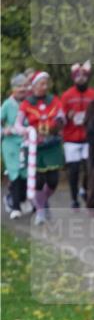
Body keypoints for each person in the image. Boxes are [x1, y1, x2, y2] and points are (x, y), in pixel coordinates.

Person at [17, 71, 65, 225]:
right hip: (35, 147)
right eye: (42, 83)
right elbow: (18, 124)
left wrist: (60, 120)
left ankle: (42, 201)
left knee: (53, 181)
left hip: (52, 144)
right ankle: (40, 211)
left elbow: (61, 115)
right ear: (34, 85)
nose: (45, 87)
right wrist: (24, 130)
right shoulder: (26, 103)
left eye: (46, 83)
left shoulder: (54, 100)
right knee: (38, 181)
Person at [60, 61, 94, 209]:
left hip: (88, 138)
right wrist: (66, 116)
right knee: (74, 170)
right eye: (78, 76)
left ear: (88, 77)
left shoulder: (93, 94)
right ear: (73, 78)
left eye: (84, 76)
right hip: (71, 138)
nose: (81, 79)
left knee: (89, 168)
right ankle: (73, 198)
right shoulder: (67, 95)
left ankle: (84, 189)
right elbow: (59, 116)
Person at [2, 73, 29, 218]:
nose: (22, 89)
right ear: (13, 88)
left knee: (26, 175)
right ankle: (15, 207)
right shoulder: (8, 104)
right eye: (19, 86)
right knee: (15, 174)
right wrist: (4, 130)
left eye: (25, 86)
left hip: (27, 143)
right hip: (11, 144)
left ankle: (19, 199)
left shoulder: (29, 103)